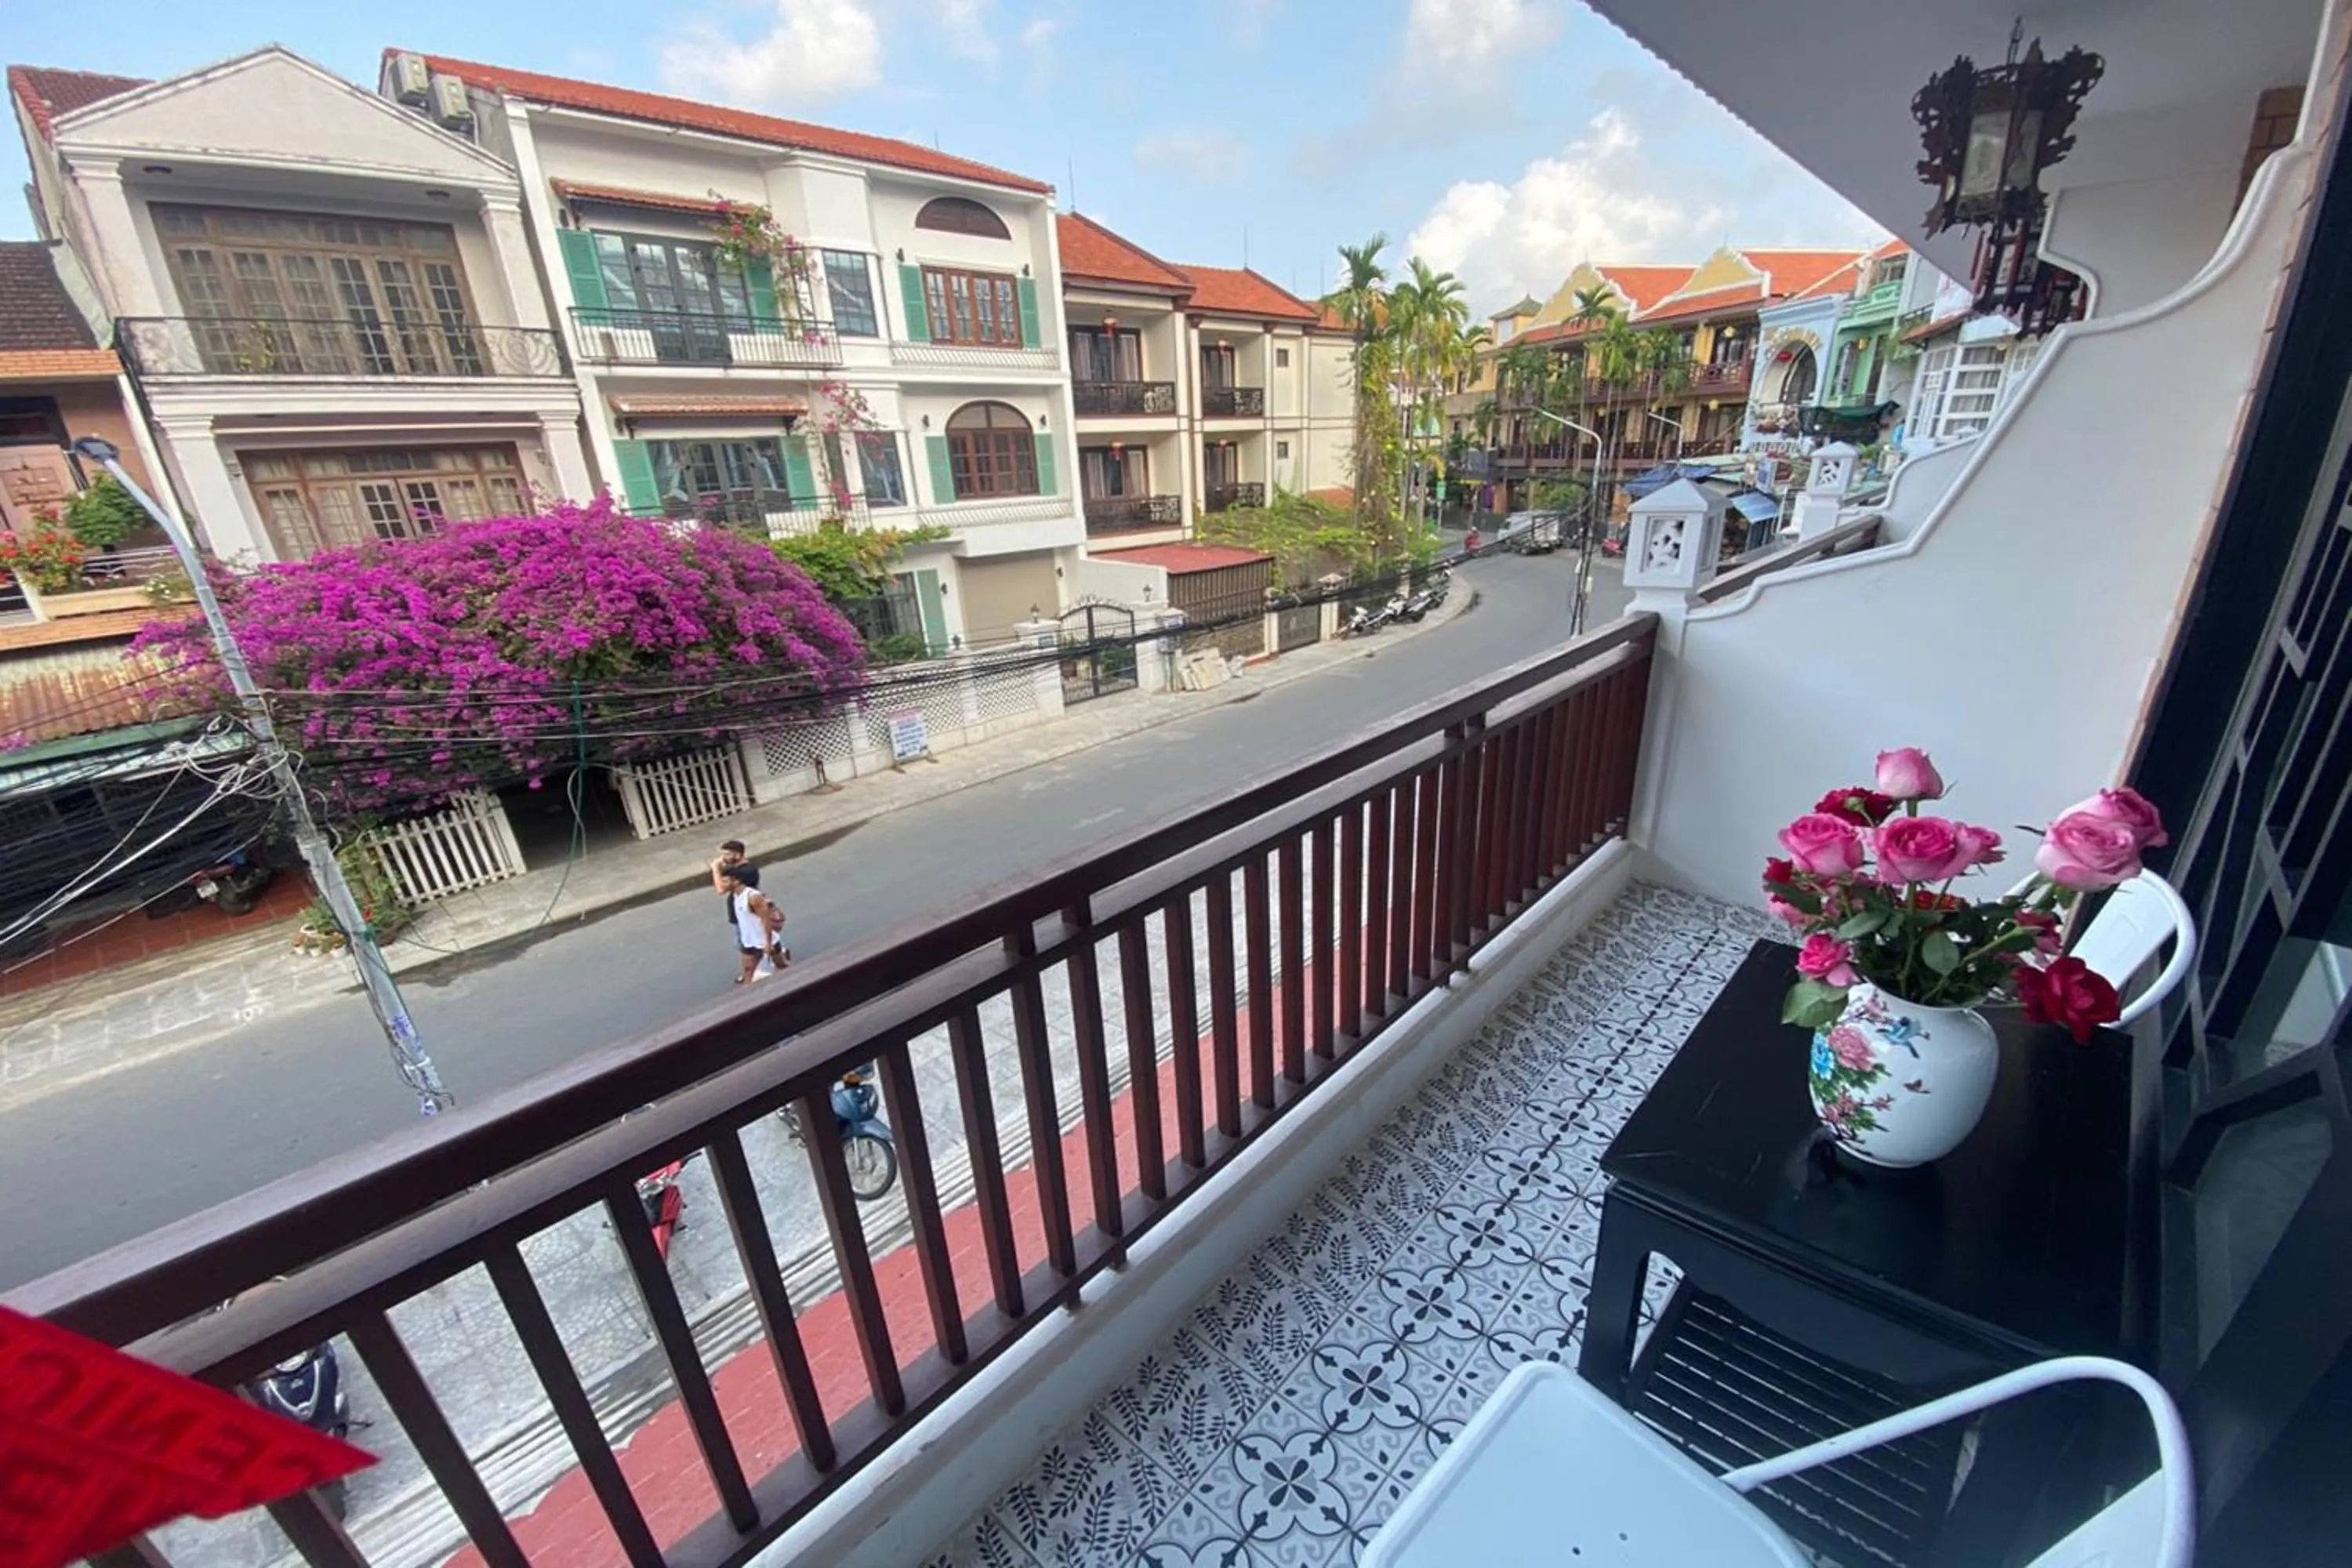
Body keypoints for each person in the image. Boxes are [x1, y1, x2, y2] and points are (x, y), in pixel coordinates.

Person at [723, 863, 789, 983]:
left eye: (726, 881)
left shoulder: (753, 897)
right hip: (748, 942)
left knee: (782, 965)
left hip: (764, 941)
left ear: (736, 881)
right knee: (748, 971)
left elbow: (766, 920)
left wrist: (768, 944)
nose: (723, 884)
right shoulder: (735, 896)